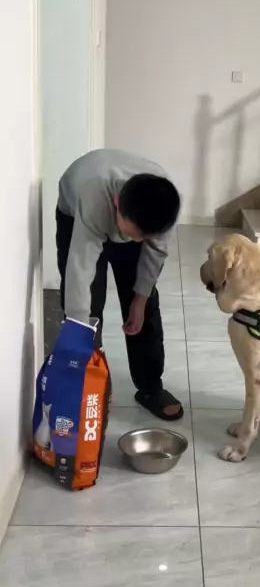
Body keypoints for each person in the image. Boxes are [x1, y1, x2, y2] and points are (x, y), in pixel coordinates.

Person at [55, 148, 183, 420]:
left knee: (145, 307)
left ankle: (150, 387)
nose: (137, 242)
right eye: (135, 234)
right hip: (76, 215)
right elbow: (80, 271)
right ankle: (86, 385)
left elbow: (154, 252)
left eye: (144, 237)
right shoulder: (94, 199)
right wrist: (80, 335)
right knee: (87, 309)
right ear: (116, 202)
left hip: (130, 215)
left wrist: (139, 300)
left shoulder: (164, 205)